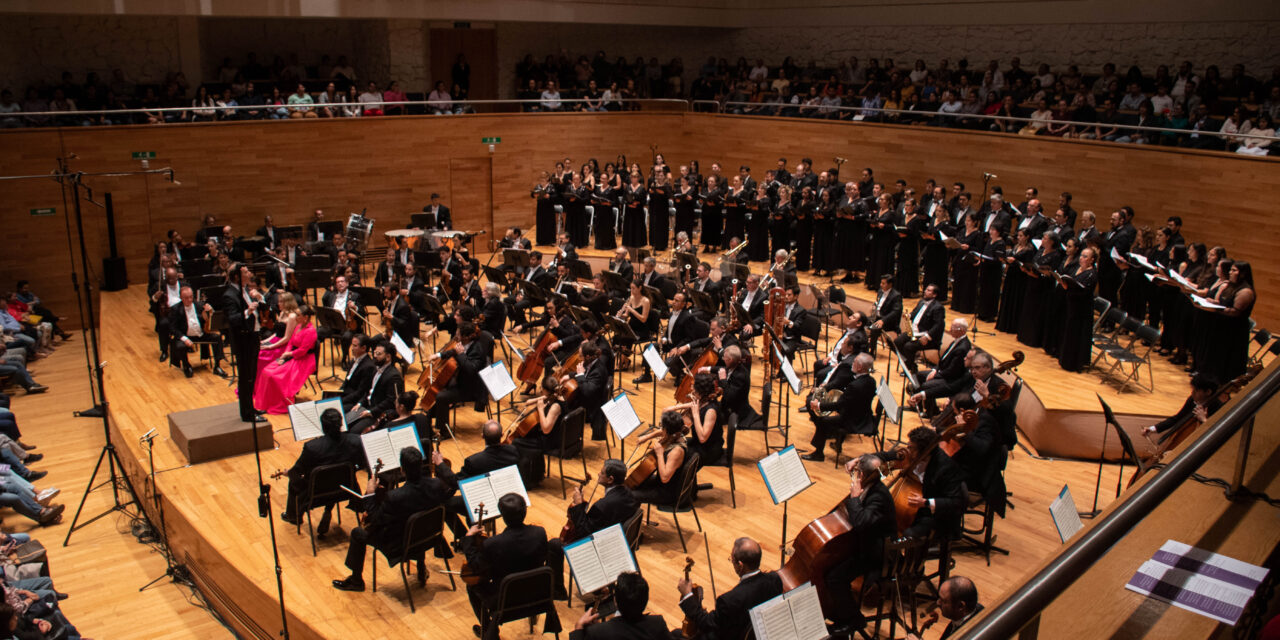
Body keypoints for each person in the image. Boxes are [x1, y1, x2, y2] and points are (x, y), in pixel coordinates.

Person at [332, 447, 455, 592]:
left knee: (357, 533)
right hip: (428, 538)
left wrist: (370, 494)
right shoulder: (436, 484)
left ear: (402, 470)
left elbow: (376, 519)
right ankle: (421, 567)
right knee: (419, 521)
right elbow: (452, 486)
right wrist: (440, 465)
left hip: (401, 544)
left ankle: (356, 581)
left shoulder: (395, 497)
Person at [464, 493, 562, 639]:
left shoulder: (493, 545)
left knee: (471, 585)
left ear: (503, 516)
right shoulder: (539, 533)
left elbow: (475, 567)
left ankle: (489, 630)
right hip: (538, 595)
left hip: (505, 604)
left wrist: (469, 540)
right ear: (525, 512)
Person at [825, 454, 896, 635]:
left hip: (876, 554)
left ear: (862, 475)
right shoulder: (872, 485)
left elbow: (861, 523)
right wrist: (857, 461)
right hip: (865, 544)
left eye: (857, 473)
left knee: (835, 578)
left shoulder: (879, 496)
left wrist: (855, 498)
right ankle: (837, 610)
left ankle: (853, 619)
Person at [677, 537, 784, 640]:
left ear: (740, 565)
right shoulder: (774, 580)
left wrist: (687, 596)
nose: (732, 562)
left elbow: (706, 623)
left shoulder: (729, 600)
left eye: (732, 559)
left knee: (675, 634)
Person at [877, 427, 966, 539]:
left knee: (908, 534)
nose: (908, 450)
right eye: (908, 446)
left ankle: (903, 555)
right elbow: (886, 455)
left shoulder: (945, 467)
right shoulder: (913, 454)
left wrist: (926, 502)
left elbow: (957, 503)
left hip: (935, 514)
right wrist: (864, 460)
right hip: (913, 507)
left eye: (912, 448)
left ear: (923, 451)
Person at [280, 409, 363, 530]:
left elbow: (297, 472)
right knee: (334, 476)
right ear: (341, 424)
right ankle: (328, 509)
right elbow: (360, 464)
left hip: (316, 495)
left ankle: (294, 517)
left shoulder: (312, 447)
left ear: (323, 427)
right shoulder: (356, 440)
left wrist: (289, 473)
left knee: (294, 482)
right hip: (346, 490)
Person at [803, 353, 875, 462]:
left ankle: (818, 454)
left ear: (860, 367)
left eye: (854, 362)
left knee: (822, 420)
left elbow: (839, 405)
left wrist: (818, 405)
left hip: (853, 421)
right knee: (833, 413)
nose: (852, 364)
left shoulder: (854, 386)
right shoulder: (872, 381)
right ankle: (838, 443)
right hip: (865, 416)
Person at [424, 321, 488, 437]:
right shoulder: (465, 343)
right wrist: (438, 355)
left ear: (467, 337)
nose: (456, 336)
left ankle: (444, 432)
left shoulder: (478, 349)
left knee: (442, 396)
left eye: (458, 335)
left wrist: (460, 355)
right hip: (462, 382)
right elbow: (453, 351)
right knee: (441, 388)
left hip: (472, 389)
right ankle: (428, 419)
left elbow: (471, 370)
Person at [223, 264, 268, 423]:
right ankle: (247, 413)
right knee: (245, 378)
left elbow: (262, 308)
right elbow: (232, 320)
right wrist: (247, 311)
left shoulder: (244, 291)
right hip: (243, 341)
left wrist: (259, 299)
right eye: (245, 272)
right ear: (237, 276)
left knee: (251, 376)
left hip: (252, 337)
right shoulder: (230, 295)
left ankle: (251, 407)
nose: (249, 274)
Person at [253, 306, 317, 414]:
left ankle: (279, 404)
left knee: (275, 376)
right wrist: (284, 355)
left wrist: (289, 354)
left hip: (303, 360)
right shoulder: (298, 326)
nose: (295, 317)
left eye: (298, 315)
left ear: (305, 317)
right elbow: (291, 342)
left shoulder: (311, 331)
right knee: (266, 372)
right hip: (292, 355)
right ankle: (267, 403)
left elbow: (302, 351)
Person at [571, 571, 668, 639]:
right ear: (646, 600)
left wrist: (578, 628)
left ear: (615, 601)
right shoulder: (658, 623)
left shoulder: (596, 633)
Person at [563, 459, 639, 543]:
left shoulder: (601, 507)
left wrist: (578, 505)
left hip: (602, 543)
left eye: (602, 473)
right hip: (618, 538)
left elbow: (583, 532)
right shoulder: (630, 494)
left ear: (610, 479)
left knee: (555, 544)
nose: (598, 474)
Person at [630, 411, 689, 505]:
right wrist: (647, 437)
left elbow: (665, 478)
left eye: (663, 428)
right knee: (632, 485)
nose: (661, 430)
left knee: (628, 495)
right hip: (663, 485)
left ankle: (633, 517)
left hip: (666, 493)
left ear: (667, 430)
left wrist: (660, 454)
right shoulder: (678, 434)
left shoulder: (676, 452)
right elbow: (662, 431)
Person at [168, 286, 227, 378]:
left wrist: (210, 311)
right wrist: (184, 339)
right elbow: (173, 328)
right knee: (180, 345)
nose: (189, 299)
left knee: (217, 338)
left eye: (191, 297)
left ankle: (217, 366)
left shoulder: (199, 305)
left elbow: (210, 320)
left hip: (200, 333)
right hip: (186, 335)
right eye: (186, 298)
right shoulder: (175, 309)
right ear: (181, 298)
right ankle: (186, 365)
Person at [345, 340, 404, 432]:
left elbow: (390, 401)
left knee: (354, 431)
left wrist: (371, 412)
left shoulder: (394, 376)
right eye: (374, 352)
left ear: (388, 357)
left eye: (378, 354)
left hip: (378, 414)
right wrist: (360, 403)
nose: (375, 356)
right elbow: (368, 390)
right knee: (344, 423)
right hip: (367, 407)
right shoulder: (375, 368)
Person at [1057, 246, 1099, 372]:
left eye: (1085, 256)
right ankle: (1064, 358)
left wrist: (1068, 288)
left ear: (1092, 260)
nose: (1081, 258)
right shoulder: (1077, 268)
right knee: (1068, 332)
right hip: (1071, 306)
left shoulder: (1092, 274)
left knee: (1076, 335)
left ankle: (1073, 363)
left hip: (1081, 310)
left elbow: (1085, 292)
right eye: (1081, 255)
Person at [668, 373, 723, 467]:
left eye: (694, 386)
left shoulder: (711, 410)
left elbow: (702, 438)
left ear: (700, 391)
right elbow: (669, 409)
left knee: (675, 458)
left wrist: (696, 415)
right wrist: (677, 407)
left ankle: (681, 480)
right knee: (672, 446)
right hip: (697, 443)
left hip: (708, 449)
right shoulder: (702, 401)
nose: (692, 388)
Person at [905, 576, 982, 640]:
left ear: (960, 606)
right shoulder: (975, 610)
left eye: (943, 601)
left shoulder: (967, 635)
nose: (938, 603)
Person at [893, 284, 946, 375]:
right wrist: (909, 316)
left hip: (927, 337)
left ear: (934, 295)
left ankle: (909, 367)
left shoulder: (938, 308)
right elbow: (914, 313)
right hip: (914, 333)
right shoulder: (921, 302)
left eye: (929, 290)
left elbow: (939, 325)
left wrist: (927, 336)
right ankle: (911, 364)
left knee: (908, 347)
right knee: (897, 342)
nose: (925, 291)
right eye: (926, 289)